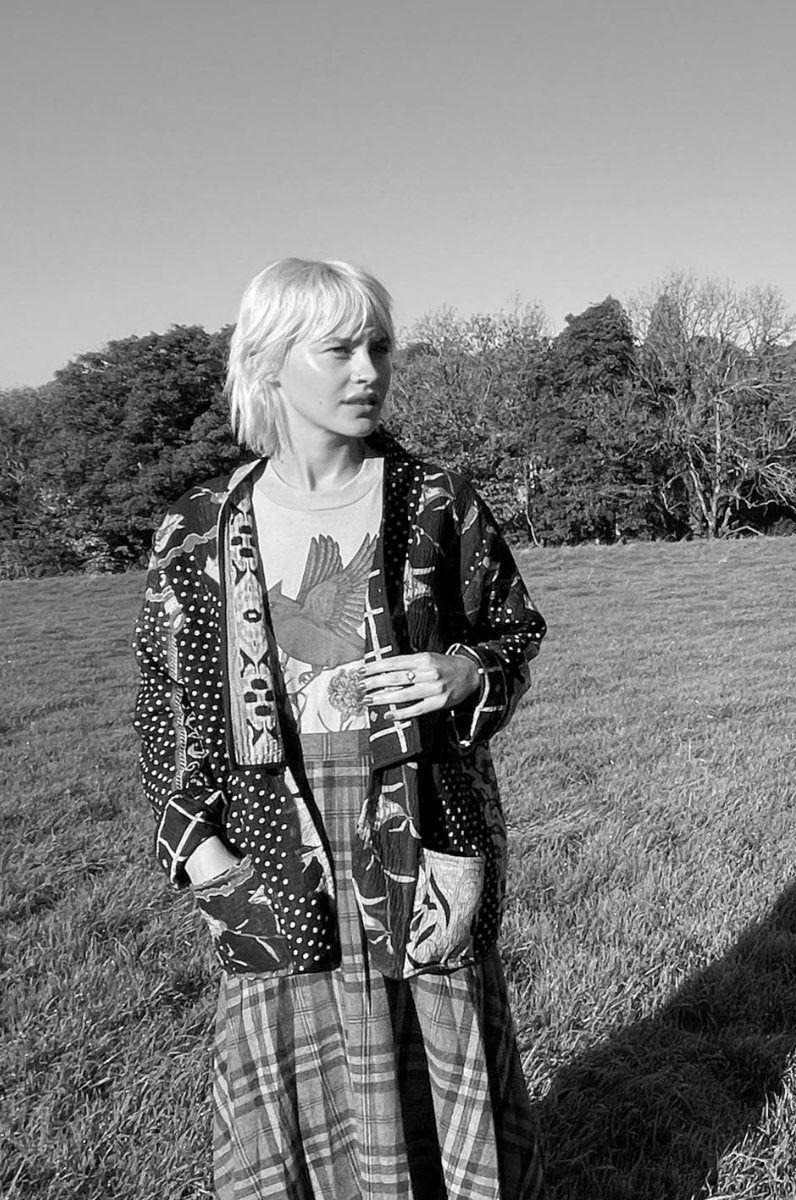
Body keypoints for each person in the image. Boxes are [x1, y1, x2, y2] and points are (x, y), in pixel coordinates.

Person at [133, 258, 546, 1198]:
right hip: (273, 848)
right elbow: (163, 712)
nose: (369, 370)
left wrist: (463, 672)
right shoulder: (197, 531)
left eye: (379, 347)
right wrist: (204, 859)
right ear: (272, 363)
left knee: (443, 1063)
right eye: (340, 349)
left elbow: (513, 634)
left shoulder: (439, 503)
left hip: (421, 830)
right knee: (294, 1096)